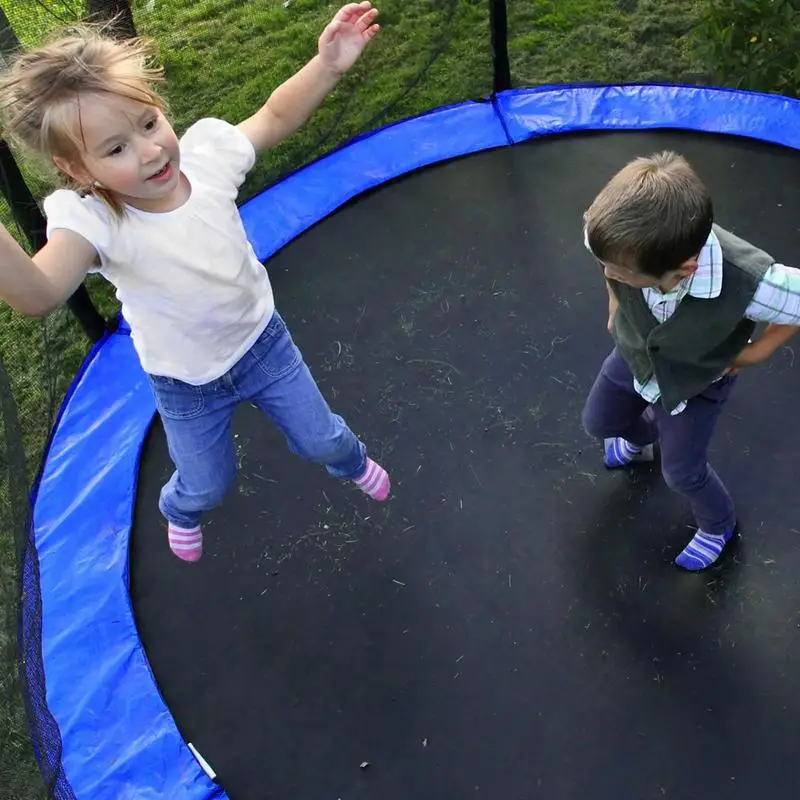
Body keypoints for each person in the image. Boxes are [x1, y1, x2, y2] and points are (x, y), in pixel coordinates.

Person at [0, 3, 389, 563]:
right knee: (208, 483)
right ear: (79, 172)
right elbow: (37, 293)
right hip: (185, 384)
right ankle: (180, 509)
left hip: (263, 344)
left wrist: (327, 64)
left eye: (149, 122)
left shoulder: (205, 158)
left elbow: (275, 118)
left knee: (322, 438)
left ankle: (350, 462)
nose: (151, 150)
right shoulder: (94, 220)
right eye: (116, 149)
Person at [581, 150, 800, 571]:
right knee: (600, 423)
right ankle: (643, 442)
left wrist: (759, 351)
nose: (610, 272)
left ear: (684, 269)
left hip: (698, 382)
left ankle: (719, 524)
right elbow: (601, 249)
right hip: (634, 357)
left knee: (682, 473)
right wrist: (614, 296)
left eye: (623, 275)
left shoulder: (750, 281)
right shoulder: (613, 237)